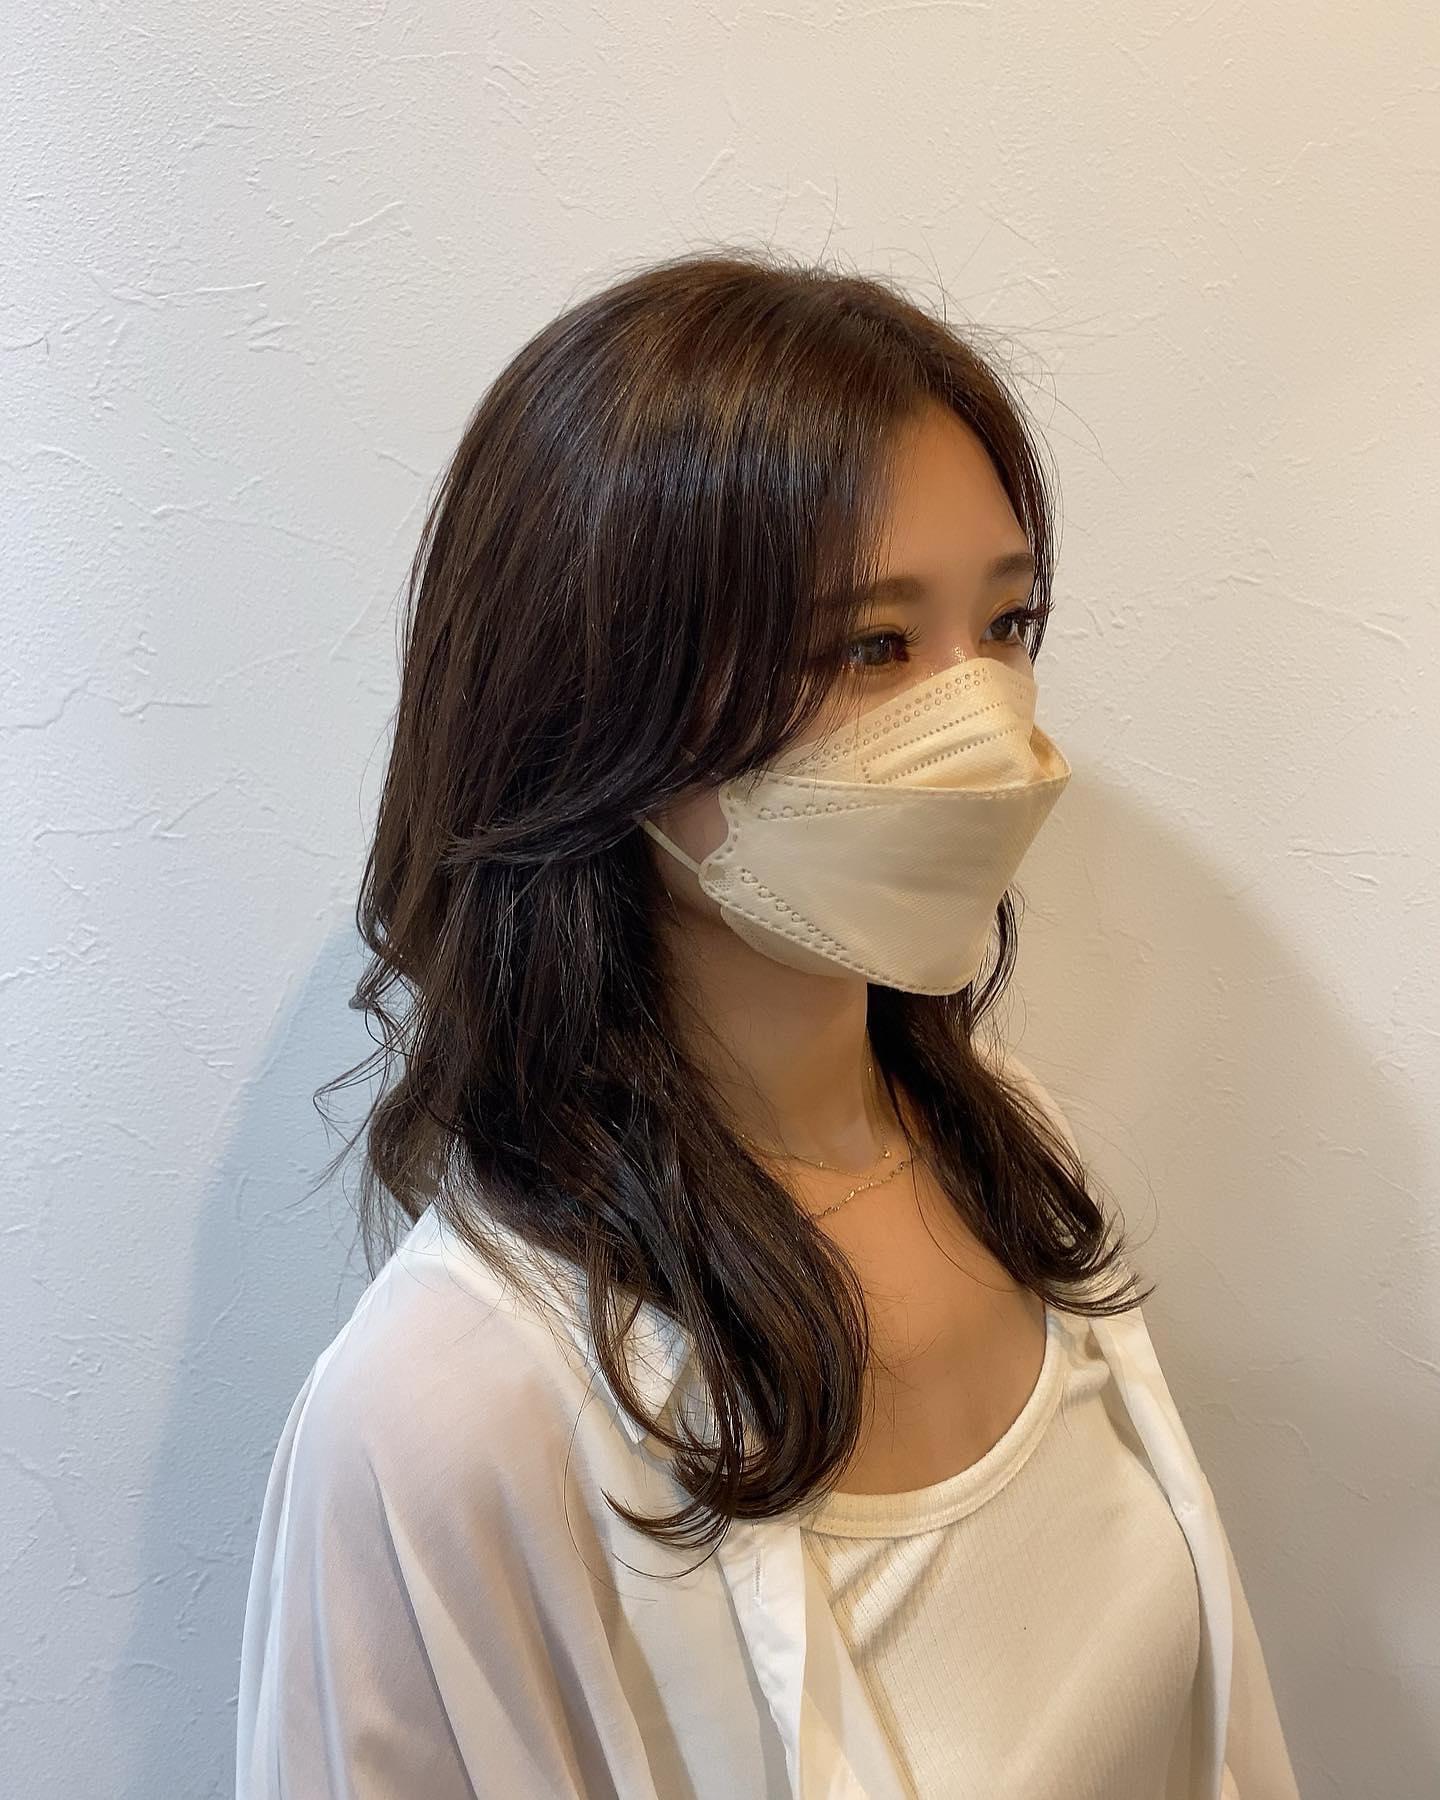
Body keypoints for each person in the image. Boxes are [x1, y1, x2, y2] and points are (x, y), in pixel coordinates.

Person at [236, 248, 1300, 1799]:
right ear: (593, 704)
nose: (987, 728)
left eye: (1008, 623)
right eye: (872, 646)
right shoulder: (446, 1419)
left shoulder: (1010, 1154)